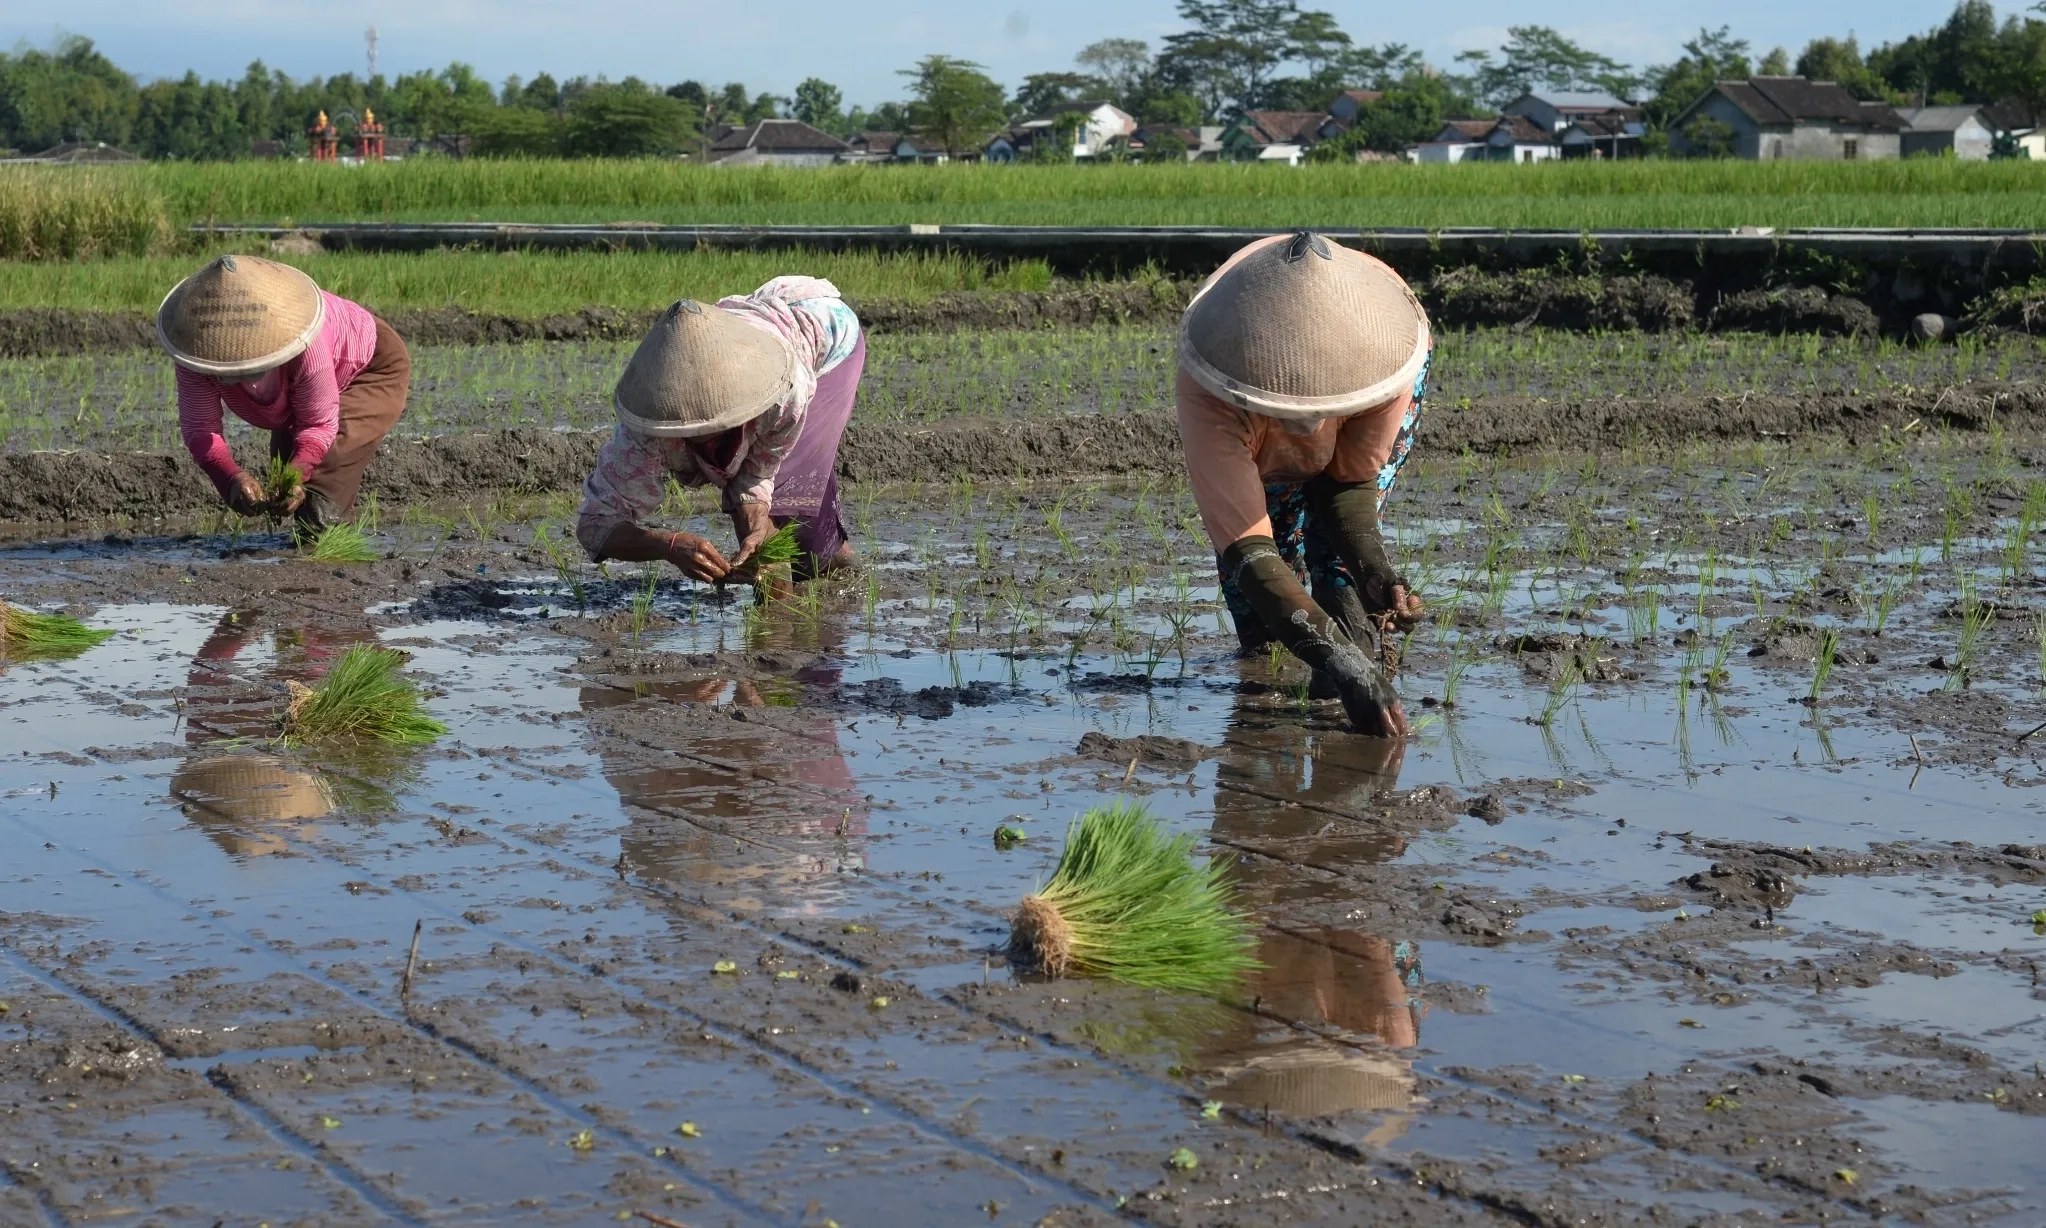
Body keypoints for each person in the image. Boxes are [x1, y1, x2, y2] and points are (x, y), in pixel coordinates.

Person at [1176, 230, 1431, 738]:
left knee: (1340, 571)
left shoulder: (1383, 357)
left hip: (1365, 349)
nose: (1306, 423)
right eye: (1288, 407)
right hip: (1249, 438)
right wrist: (1343, 665)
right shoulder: (1211, 391)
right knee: (1258, 603)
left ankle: (1347, 666)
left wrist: (1374, 568)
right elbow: (1252, 553)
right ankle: (1277, 691)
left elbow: (1349, 483)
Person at [576, 277, 863, 583]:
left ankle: (806, 602)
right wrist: (670, 545)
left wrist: (756, 519)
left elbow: (758, 473)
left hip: (828, 336)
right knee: (788, 537)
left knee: (788, 520)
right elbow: (596, 524)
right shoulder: (646, 432)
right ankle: (828, 578)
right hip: (765, 321)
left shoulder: (780, 391)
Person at [159, 254, 411, 531]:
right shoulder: (196, 352)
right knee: (284, 470)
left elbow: (318, 425)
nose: (238, 378)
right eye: (228, 370)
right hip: (297, 388)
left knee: (323, 472)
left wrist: (299, 473)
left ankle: (326, 548)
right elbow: (201, 430)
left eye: (249, 365)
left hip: (370, 367)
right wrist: (230, 478)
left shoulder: (303, 345)